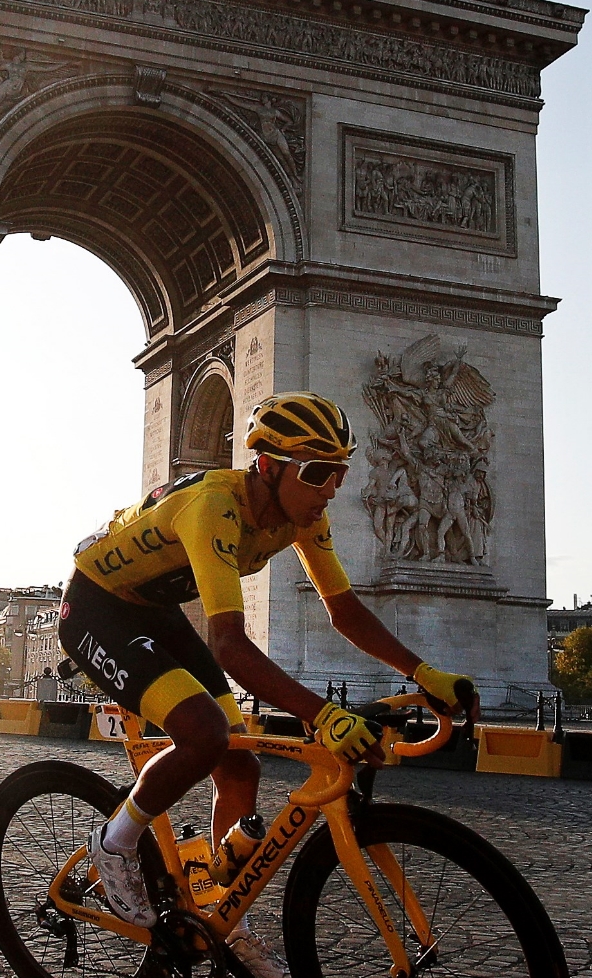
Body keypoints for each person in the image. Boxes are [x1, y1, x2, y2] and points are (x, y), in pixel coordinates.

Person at [60, 391, 474, 975]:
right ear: (267, 466)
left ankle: (229, 922)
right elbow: (229, 644)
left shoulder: (302, 515)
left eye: (340, 473)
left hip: (153, 607)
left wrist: (424, 672)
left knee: (240, 764)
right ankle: (117, 842)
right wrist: (322, 714)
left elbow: (345, 609)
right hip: (98, 606)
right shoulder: (213, 507)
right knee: (204, 735)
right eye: (318, 472)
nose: (332, 488)